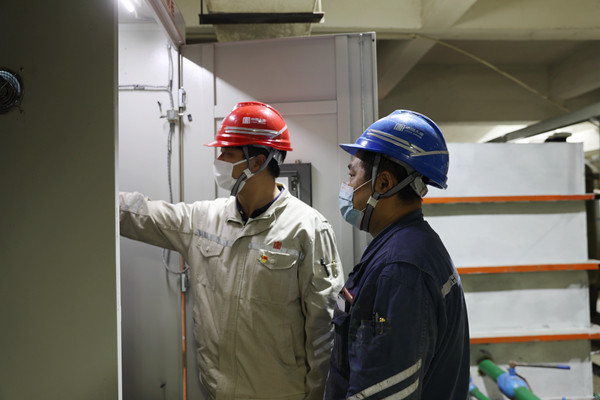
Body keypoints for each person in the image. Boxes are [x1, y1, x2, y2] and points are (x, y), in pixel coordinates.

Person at [119, 101, 344, 400]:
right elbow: (144, 215)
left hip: (281, 394)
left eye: (227, 153)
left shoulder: (307, 229)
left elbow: (324, 328)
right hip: (217, 391)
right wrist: (97, 195)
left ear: (257, 162)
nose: (219, 161)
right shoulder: (204, 219)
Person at [325, 110, 470, 399]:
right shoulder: (408, 246)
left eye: (352, 175)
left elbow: (386, 391)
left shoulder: (401, 268)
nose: (347, 187)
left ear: (383, 183)